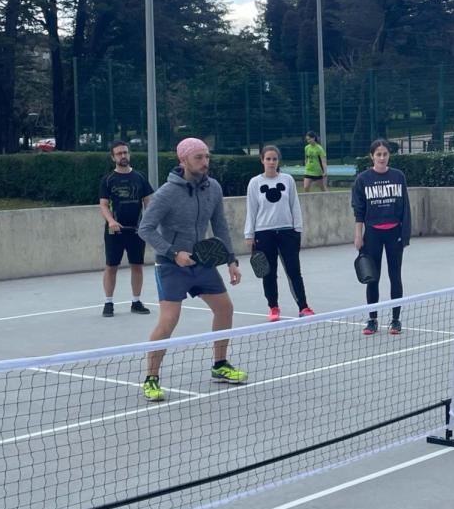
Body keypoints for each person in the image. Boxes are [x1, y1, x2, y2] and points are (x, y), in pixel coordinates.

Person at [137, 138, 246, 402]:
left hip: (203, 262)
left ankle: (220, 365)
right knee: (169, 319)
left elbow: (220, 226)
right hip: (171, 265)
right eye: (198, 157)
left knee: (224, 308)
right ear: (183, 160)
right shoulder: (166, 193)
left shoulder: (213, 188)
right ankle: (151, 378)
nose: (205, 162)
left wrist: (231, 259)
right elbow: (145, 228)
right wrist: (174, 253)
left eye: (206, 157)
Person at [245, 145, 314, 322]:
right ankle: (273, 307)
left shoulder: (288, 180)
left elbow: (294, 205)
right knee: (269, 273)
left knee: (293, 271)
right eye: (268, 159)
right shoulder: (255, 183)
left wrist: (297, 228)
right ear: (262, 160)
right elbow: (251, 210)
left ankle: (303, 306)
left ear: (278, 161)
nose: (271, 162)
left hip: (287, 232)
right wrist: (249, 235)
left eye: (274, 159)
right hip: (263, 233)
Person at [352, 139, 411, 335]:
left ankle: (395, 320)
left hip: (394, 233)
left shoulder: (398, 176)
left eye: (385, 154)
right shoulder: (362, 179)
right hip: (373, 234)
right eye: (378, 154)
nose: (382, 158)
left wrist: (404, 235)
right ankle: (372, 319)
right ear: (372, 156)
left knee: (395, 276)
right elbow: (358, 210)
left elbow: (405, 208)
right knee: (372, 278)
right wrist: (358, 235)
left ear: (389, 156)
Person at [98, 141, 154, 317]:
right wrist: (111, 221)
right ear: (113, 157)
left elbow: (148, 203)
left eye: (125, 152)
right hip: (115, 231)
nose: (123, 156)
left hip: (136, 231)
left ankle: (136, 301)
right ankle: (108, 303)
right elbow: (104, 205)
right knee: (111, 266)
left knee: (137, 265)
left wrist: (148, 223)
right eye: (119, 153)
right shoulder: (108, 179)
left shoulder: (140, 177)